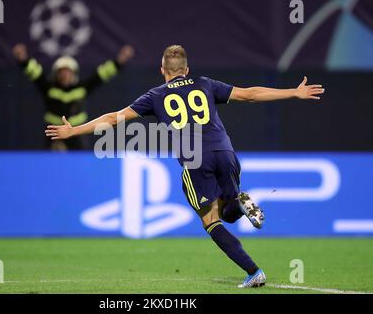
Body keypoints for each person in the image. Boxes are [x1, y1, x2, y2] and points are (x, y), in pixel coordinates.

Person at [44, 45, 325, 288]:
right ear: (186, 69)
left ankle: (254, 271)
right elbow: (250, 94)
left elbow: (115, 118)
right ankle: (239, 204)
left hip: (196, 159)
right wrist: (293, 92)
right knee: (228, 212)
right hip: (226, 151)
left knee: (211, 220)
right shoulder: (205, 84)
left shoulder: (155, 95)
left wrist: (74, 131)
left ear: (162, 70)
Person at [13, 43, 134, 151]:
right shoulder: (48, 87)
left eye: (68, 72)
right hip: (54, 134)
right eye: (62, 72)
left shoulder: (82, 87)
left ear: (74, 73)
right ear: (56, 74)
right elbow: (34, 72)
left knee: (80, 166)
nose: (65, 75)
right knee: (50, 167)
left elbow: (102, 74)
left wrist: (120, 60)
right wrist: (23, 58)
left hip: (77, 135)